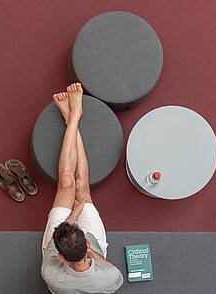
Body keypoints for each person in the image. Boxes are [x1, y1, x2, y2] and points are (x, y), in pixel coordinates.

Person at [41, 83, 124, 293]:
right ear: (88, 244)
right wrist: (94, 255)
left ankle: (73, 117)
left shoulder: (51, 273)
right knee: (82, 188)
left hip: (66, 244)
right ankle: (73, 117)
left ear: (59, 257)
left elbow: (57, 236)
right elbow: (113, 270)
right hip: (91, 246)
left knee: (67, 183)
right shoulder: (111, 278)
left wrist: (77, 210)